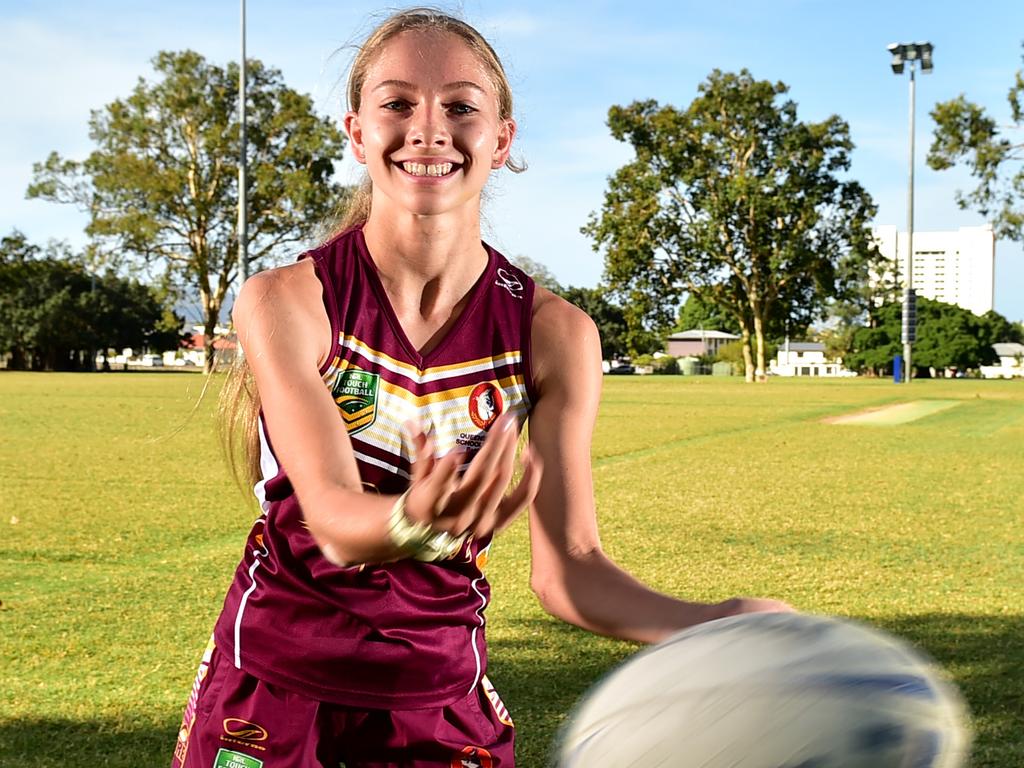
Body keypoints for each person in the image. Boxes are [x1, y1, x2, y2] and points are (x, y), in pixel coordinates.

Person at [172, 9, 790, 768]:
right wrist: (413, 521)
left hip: (439, 705)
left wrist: (716, 621)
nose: (428, 129)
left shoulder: (555, 332)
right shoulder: (286, 301)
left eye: (461, 106)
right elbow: (333, 518)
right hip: (271, 698)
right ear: (356, 133)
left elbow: (572, 571)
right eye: (397, 104)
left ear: (501, 139)